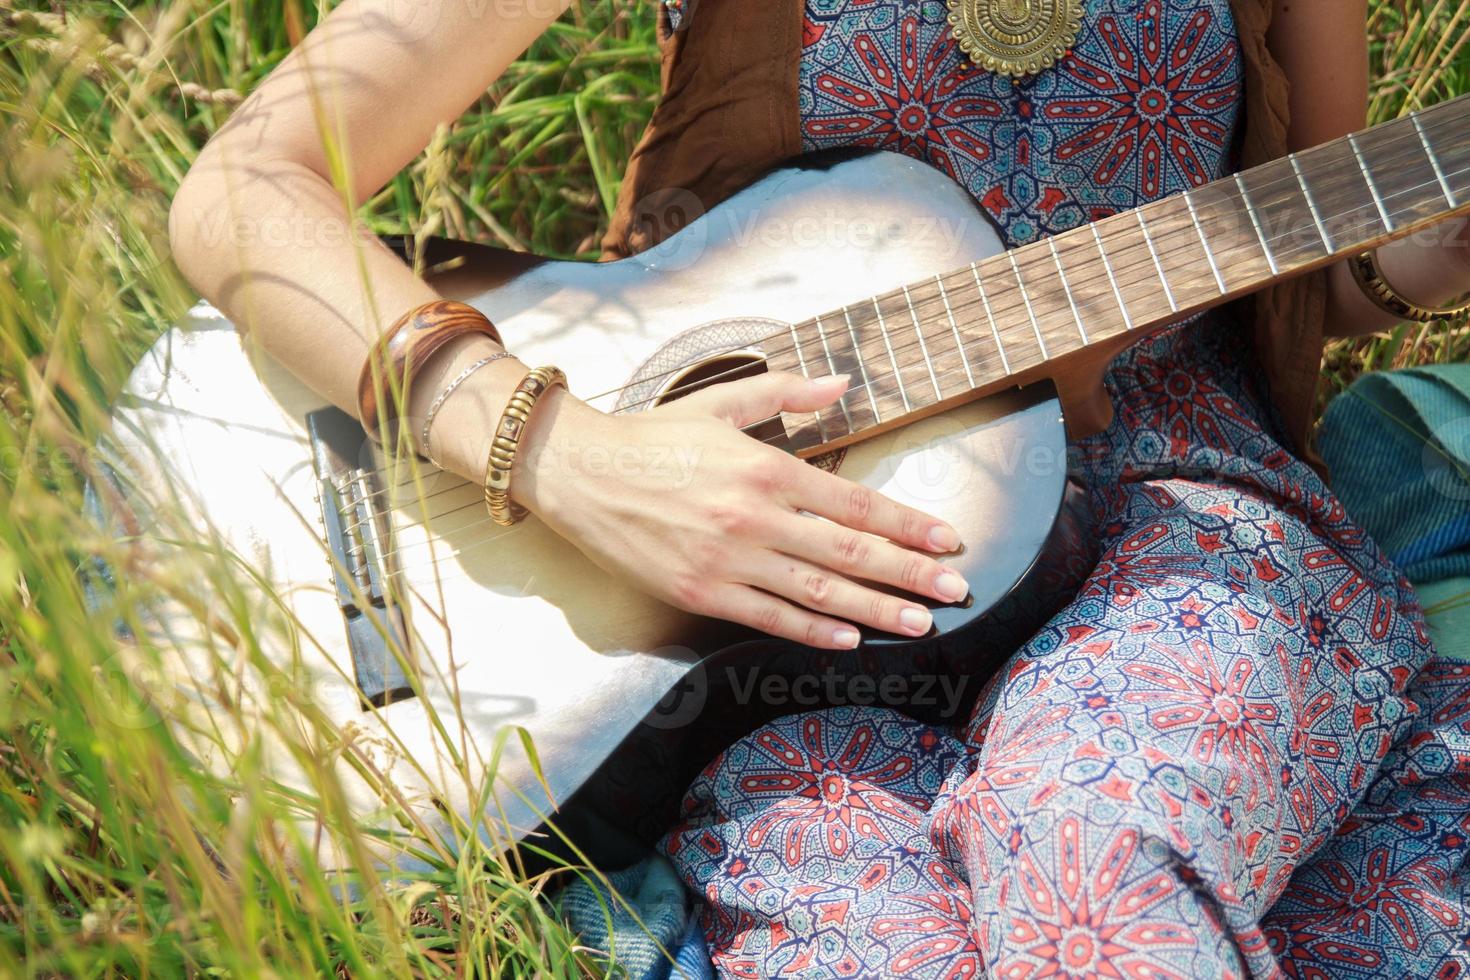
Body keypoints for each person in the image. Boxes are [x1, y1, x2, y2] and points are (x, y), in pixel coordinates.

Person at [168, 0, 1470, 973]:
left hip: (1174, 528)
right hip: (768, 621)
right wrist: (548, 448)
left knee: (1099, 872)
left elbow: (1289, 274)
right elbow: (242, 192)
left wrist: (1415, 261)